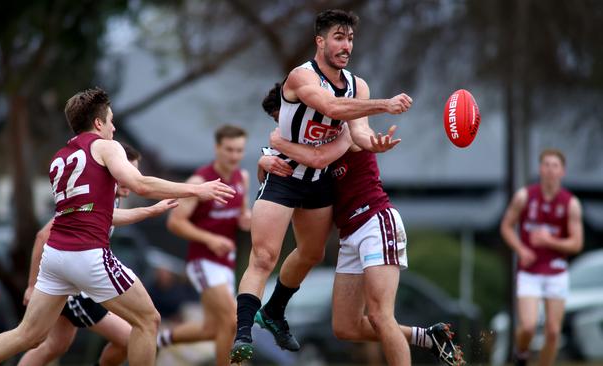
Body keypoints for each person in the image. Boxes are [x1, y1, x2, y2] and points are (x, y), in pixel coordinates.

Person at [0, 87, 236, 366]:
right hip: (87, 255)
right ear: (98, 123)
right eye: (110, 120)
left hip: (56, 257)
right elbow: (139, 184)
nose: (114, 127)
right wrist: (196, 190)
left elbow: (89, 211)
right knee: (148, 320)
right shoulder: (106, 146)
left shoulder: (61, 157)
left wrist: (149, 211)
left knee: (28, 335)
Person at [231, 9, 413, 362]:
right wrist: (385, 106)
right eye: (338, 38)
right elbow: (330, 106)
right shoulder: (301, 77)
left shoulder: (358, 85)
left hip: (318, 185)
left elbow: (357, 133)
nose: (346, 46)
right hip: (285, 179)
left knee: (312, 254)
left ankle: (273, 312)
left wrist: (374, 142)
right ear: (320, 41)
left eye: (350, 39)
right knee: (264, 256)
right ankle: (242, 335)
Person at [260, 84, 463, 366]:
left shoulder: (337, 128)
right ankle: (428, 339)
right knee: (345, 327)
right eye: (276, 122)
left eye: (283, 117)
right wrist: (264, 160)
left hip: (375, 222)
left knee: (381, 315)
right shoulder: (301, 145)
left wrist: (374, 139)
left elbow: (360, 134)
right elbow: (272, 179)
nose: (282, 126)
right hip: (349, 234)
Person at [18, 143, 176, 366]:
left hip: (80, 280)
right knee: (131, 336)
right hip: (74, 284)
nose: (133, 177)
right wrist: (32, 284)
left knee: (55, 345)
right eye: (129, 171)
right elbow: (42, 236)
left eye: (136, 172)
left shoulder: (113, 198)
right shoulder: (93, 196)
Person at [163, 125, 250, 366]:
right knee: (232, 321)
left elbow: (241, 215)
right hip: (203, 260)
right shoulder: (200, 181)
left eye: (239, 150)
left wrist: (247, 219)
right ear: (217, 148)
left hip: (226, 262)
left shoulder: (243, 177)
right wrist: (210, 239)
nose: (234, 156)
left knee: (212, 328)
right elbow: (175, 222)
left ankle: (160, 339)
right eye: (229, 149)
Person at [500, 149, 583, 366]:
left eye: (555, 165)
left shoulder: (570, 204)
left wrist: (550, 242)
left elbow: (576, 243)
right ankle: (521, 353)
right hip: (529, 272)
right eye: (546, 165)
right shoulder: (525, 196)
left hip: (556, 271)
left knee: (553, 332)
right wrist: (521, 249)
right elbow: (507, 227)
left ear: (562, 171)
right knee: (528, 326)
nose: (550, 170)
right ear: (540, 169)